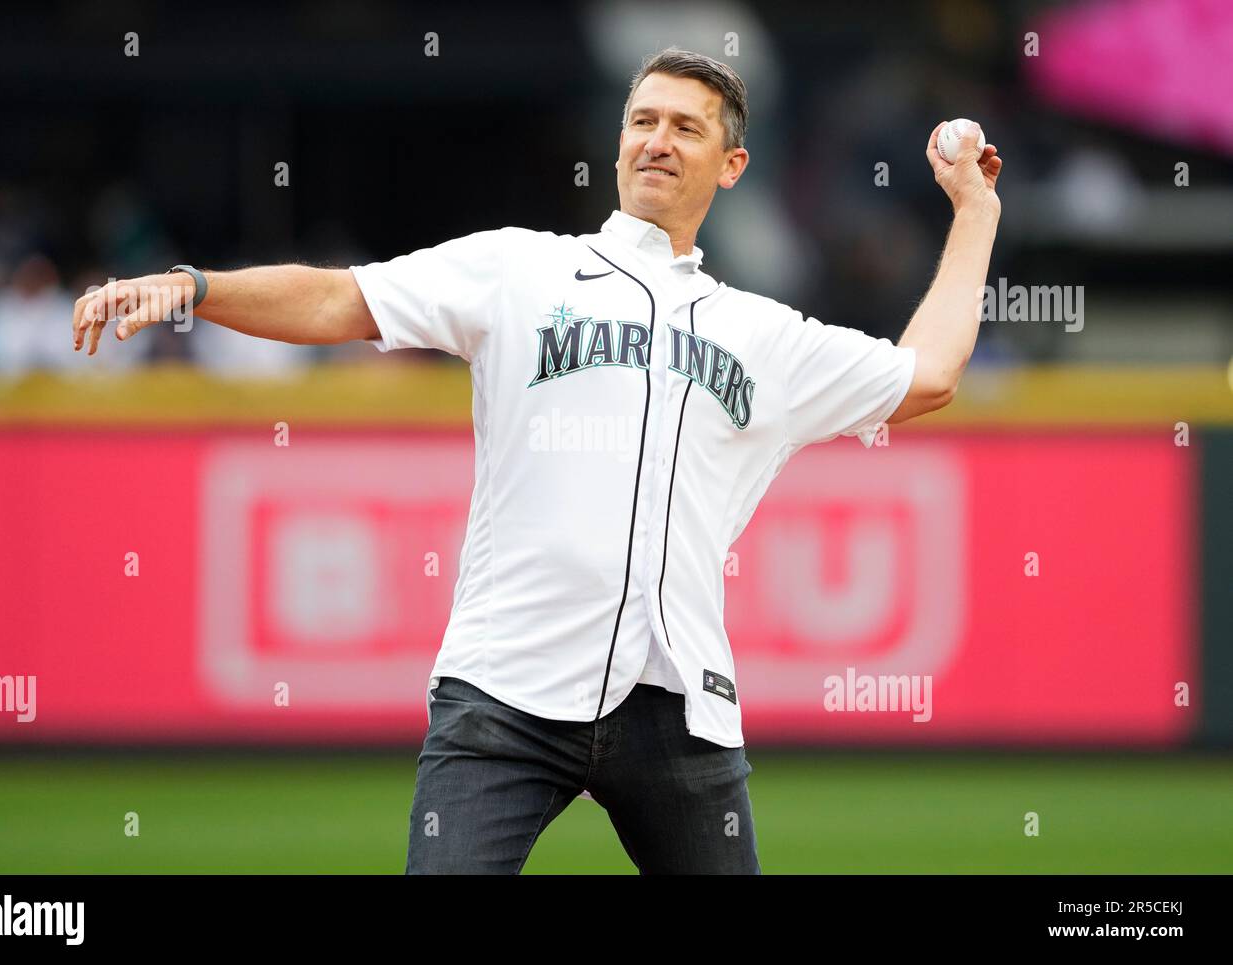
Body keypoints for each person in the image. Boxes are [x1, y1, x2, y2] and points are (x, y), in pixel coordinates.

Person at [71, 47, 1002, 874]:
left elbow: (927, 375)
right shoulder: (520, 269)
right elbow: (337, 301)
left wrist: (975, 211)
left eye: (687, 127)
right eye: (643, 120)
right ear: (618, 145)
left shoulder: (761, 335)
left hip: (676, 706)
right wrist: (195, 285)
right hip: (503, 691)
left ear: (732, 166)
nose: (658, 140)